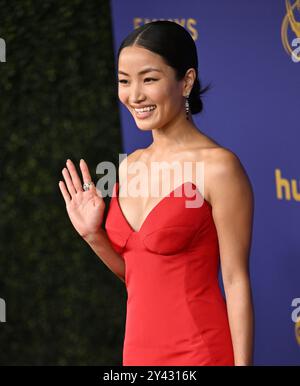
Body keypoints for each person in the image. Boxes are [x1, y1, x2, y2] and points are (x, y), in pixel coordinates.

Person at [58, 20, 254, 366]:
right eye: (124, 81)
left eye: (149, 79)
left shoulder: (219, 167)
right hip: (137, 355)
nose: (134, 95)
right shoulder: (129, 165)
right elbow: (140, 276)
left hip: (200, 353)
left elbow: (235, 281)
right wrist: (93, 235)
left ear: (186, 81)